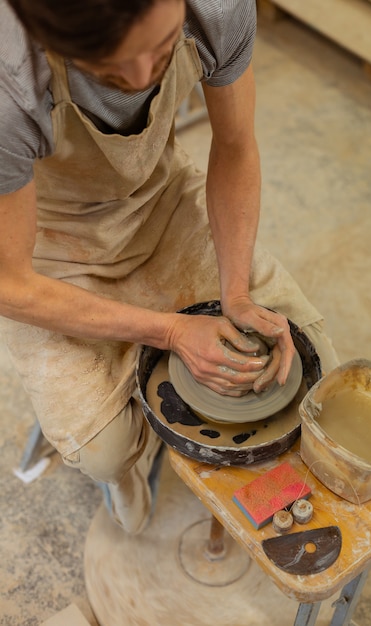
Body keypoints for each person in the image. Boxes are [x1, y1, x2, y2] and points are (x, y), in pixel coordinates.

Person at [0, 0, 338, 534]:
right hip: (48, 242)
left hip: (159, 199)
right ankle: (127, 470)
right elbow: (9, 285)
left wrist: (237, 295)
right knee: (105, 452)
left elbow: (235, 146)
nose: (138, 79)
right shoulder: (8, 78)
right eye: (108, 68)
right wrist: (172, 330)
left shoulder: (216, 7)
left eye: (160, 50)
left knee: (316, 354)